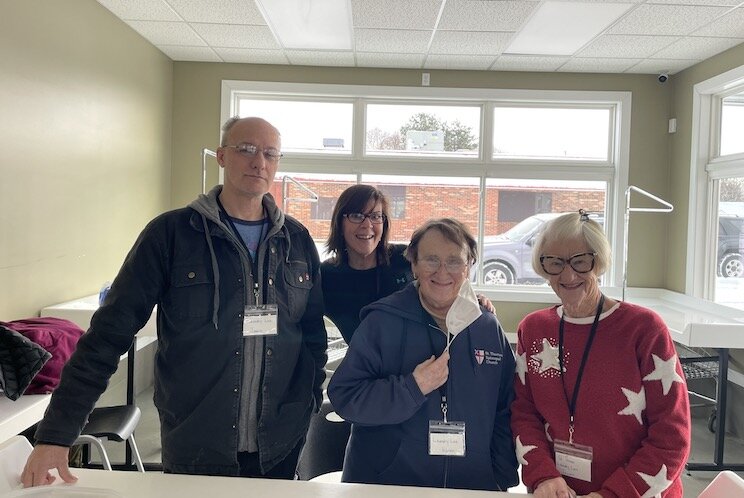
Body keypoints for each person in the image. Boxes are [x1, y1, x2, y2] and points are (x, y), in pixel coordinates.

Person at [22, 117, 328, 486]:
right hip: (196, 440)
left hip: (281, 440)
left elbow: (312, 336)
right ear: (222, 156)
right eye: (246, 149)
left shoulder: (296, 240)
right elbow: (107, 335)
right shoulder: (171, 235)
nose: (258, 161)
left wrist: (307, 400)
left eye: (269, 153)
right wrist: (57, 433)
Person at [327, 218, 518, 491]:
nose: (442, 272)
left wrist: (501, 475)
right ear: (414, 265)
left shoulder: (487, 327)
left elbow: (506, 408)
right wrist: (411, 388)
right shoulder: (381, 323)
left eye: (454, 261)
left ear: (469, 266)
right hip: (387, 485)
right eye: (431, 259)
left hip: (471, 486)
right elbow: (345, 398)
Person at [510, 210, 690, 498]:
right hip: (560, 491)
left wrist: (614, 494)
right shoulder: (533, 330)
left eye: (581, 261)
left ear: (600, 263)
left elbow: (672, 435)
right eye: (555, 263)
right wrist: (543, 476)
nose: (568, 275)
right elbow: (524, 412)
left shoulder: (643, 329)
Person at [321, 184, 494, 344]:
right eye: (357, 216)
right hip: (368, 368)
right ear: (339, 222)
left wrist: (469, 299)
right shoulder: (326, 276)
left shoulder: (404, 259)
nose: (367, 225)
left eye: (376, 216)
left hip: (419, 361)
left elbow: (443, 282)